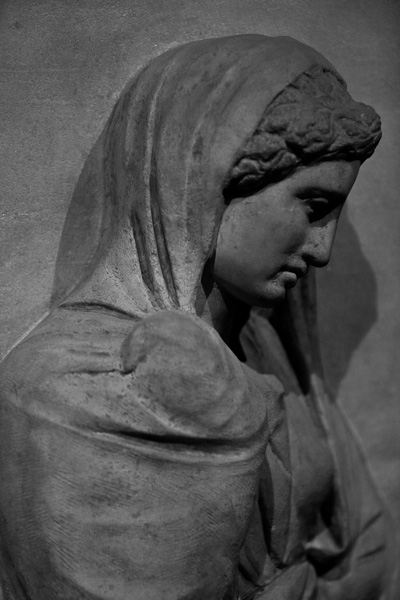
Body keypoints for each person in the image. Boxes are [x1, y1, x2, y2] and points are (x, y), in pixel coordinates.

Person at [0, 35, 396, 600]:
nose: (322, 250)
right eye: (313, 207)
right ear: (208, 184)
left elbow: (363, 543)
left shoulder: (266, 347)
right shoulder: (66, 387)